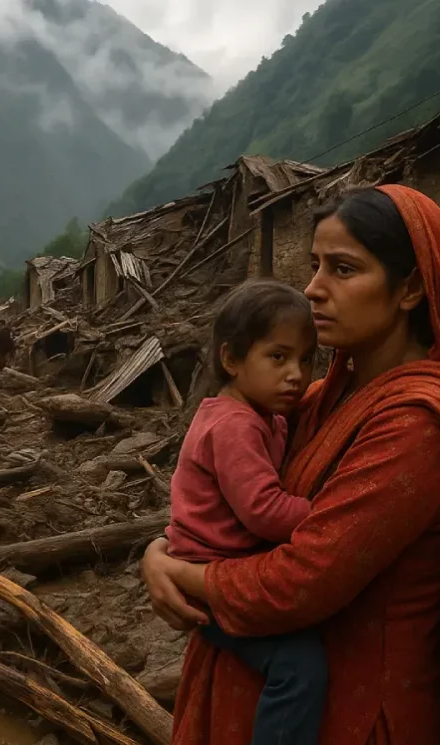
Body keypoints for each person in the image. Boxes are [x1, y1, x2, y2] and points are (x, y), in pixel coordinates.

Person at [142, 186, 440, 745]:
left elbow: (298, 582)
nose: (313, 289)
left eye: (344, 269)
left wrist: (178, 573)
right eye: (316, 265)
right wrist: (157, 550)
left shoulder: (415, 429)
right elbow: (224, 486)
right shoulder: (323, 399)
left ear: (411, 288)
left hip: (357, 716)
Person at [166, 280, 323, 745]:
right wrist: (327, 510)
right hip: (208, 578)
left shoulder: (263, 415)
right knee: (299, 667)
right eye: (278, 357)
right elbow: (264, 511)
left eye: (306, 359)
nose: (296, 373)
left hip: (217, 566)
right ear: (231, 359)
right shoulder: (234, 425)